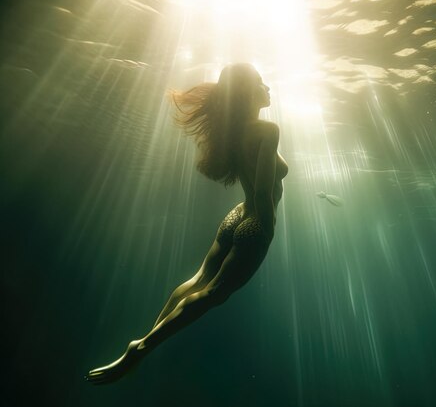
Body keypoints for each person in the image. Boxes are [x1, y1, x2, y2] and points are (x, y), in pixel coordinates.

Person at [86, 63, 288, 385]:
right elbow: (264, 190)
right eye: (261, 83)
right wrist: (267, 227)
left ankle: (147, 338)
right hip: (255, 220)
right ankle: (141, 350)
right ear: (247, 92)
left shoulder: (233, 132)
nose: (268, 88)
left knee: (198, 281)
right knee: (214, 294)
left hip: (236, 215)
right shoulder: (267, 131)